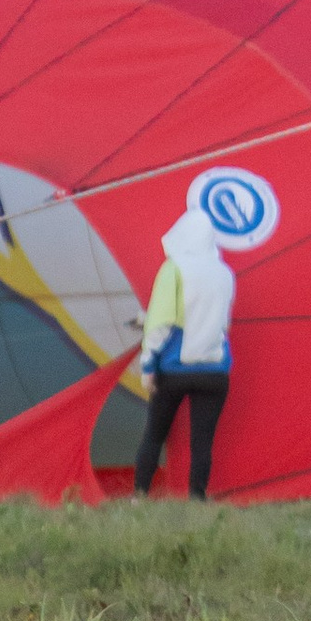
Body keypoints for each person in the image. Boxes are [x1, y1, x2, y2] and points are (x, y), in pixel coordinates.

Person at [134, 205, 238, 500]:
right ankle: (197, 498)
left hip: (174, 369)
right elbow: (222, 323)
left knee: (155, 433)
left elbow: (162, 323)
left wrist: (148, 365)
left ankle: (139, 496)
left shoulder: (174, 269)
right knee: (202, 442)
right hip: (215, 371)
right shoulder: (224, 273)